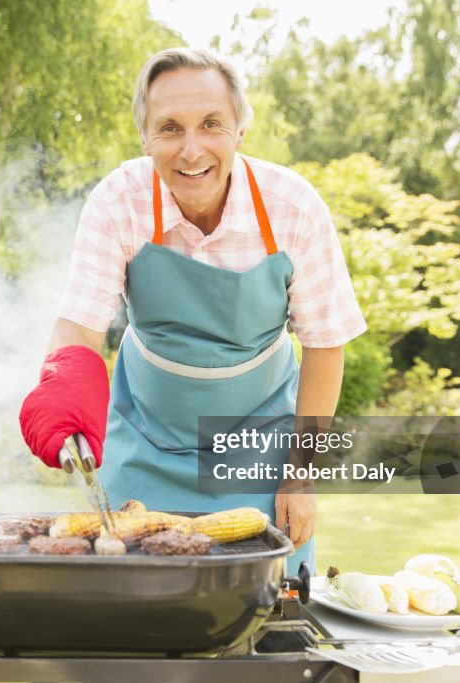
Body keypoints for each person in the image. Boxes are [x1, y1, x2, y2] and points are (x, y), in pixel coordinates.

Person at [19, 48, 366, 574]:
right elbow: (80, 324)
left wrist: (299, 474)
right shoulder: (118, 203)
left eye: (211, 124)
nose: (191, 149)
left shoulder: (293, 208)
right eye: (169, 128)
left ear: (240, 130)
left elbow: (325, 344)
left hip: (260, 442)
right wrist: (61, 384)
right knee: (129, 610)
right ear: (144, 137)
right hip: (144, 438)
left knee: (269, 617)